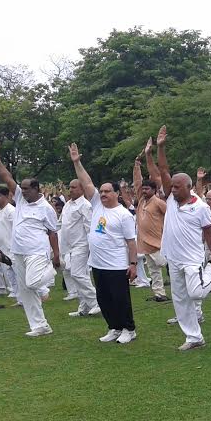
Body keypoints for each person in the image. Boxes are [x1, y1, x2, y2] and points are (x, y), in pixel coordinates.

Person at [153, 126, 211, 350]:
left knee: (195, 293)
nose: (171, 190)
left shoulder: (201, 207)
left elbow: (209, 235)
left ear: (189, 187)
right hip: (174, 259)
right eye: (171, 186)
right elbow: (163, 169)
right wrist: (161, 147)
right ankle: (194, 338)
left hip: (193, 259)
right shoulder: (172, 201)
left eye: (176, 186)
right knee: (181, 300)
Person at [69, 144, 138, 343]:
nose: (104, 194)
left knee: (120, 299)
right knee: (104, 299)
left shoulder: (123, 215)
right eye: (102, 191)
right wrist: (77, 162)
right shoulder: (97, 204)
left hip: (116, 264)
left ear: (117, 193)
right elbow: (86, 181)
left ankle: (129, 329)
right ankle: (114, 327)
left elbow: (131, 242)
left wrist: (133, 265)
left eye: (108, 191)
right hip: (97, 263)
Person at [0, 141, 60, 337]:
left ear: (37, 189)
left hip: (37, 251)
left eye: (27, 189)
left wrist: (56, 255)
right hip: (18, 252)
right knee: (25, 291)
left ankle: (50, 274)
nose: (23, 191)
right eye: (21, 188)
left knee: (32, 282)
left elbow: (52, 232)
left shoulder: (46, 208)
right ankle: (40, 325)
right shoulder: (21, 199)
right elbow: (6, 176)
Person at [59, 178, 100, 317]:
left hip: (82, 245)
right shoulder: (68, 205)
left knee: (77, 274)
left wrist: (91, 247)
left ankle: (96, 302)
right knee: (78, 275)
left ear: (82, 189)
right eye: (69, 187)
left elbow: (90, 227)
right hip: (70, 246)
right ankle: (84, 307)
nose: (71, 190)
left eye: (74, 187)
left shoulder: (85, 205)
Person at [133, 144, 169, 302]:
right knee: (153, 270)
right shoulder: (141, 201)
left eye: (148, 189)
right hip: (145, 242)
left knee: (164, 263)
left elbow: (170, 217)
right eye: (144, 189)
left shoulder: (159, 202)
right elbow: (137, 183)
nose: (145, 191)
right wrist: (137, 167)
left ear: (154, 190)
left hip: (158, 241)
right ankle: (159, 294)